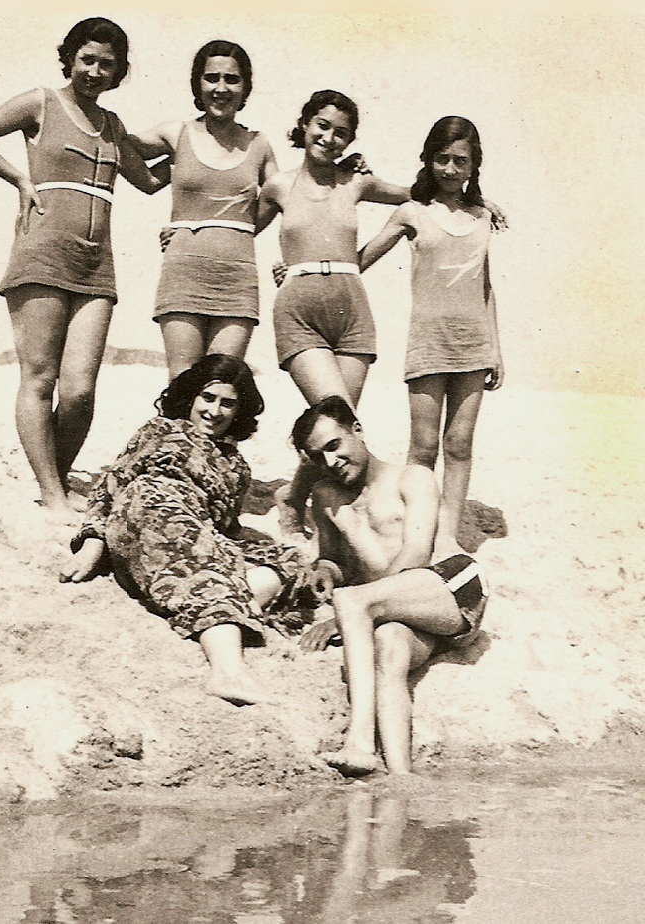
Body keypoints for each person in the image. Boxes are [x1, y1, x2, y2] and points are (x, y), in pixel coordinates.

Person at [0, 18, 170, 520]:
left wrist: (196, 147)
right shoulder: (41, 103)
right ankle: (52, 492)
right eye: (87, 59)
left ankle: (55, 474)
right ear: (70, 58)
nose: (95, 71)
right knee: (39, 377)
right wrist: (19, 180)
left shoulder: (114, 126)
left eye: (107, 64)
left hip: (96, 265)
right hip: (43, 254)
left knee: (80, 390)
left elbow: (150, 181)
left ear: (119, 72)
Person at [60, 355, 307, 706]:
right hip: (150, 506)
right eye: (208, 398)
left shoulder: (237, 466)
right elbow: (112, 485)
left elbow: (224, 527)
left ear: (240, 411)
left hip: (194, 533)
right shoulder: (160, 430)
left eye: (228, 404)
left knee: (290, 560)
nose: (215, 411)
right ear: (191, 397)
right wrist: (93, 544)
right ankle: (227, 670)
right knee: (204, 566)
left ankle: (218, 604)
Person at [292, 396, 489, 775]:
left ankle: (359, 740)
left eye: (335, 446)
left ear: (357, 431)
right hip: (403, 610)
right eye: (318, 456)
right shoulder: (327, 497)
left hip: (452, 587)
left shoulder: (410, 478)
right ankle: (401, 778)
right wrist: (326, 572)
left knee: (350, 602)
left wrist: (348, 613)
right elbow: (334, 558)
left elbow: (417, 552)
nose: (330, 462)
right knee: (389, 646)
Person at [255, 90, 411, 534]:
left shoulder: (356, 182)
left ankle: (295, 494)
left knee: (341, 424)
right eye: (322, 126)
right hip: (299, 310)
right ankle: (296, 499)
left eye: (341, 133)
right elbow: (237, 225)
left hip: (353, 312)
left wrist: (480, 200)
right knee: (334, 409)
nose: (329, 137)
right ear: (304, 125)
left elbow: (417, 195)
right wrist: (181, 229)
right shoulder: (279, 185)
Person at [358, 116, 503, 547]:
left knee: (459, 444)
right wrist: (306, 266)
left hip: (474, 345)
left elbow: (486, 286)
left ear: (475, 165)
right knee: (423, 447)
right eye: (442, 159)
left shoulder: (482, 217)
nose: (451, 169)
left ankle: (449, 535)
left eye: (461, 161)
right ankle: (418, 531)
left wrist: (496, 350)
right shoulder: (413, 212)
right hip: (428, 344)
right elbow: (361, 258)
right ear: (428, 160)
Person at [127, 41, 278, 380]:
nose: (221, 88)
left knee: (223, 383)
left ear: (245, 88)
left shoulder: (259, 144)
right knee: (183, 385)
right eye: (211, 78)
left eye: (231, 80)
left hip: (237, 278)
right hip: (184, 273)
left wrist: (345, 168)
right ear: (198, 84)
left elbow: (286, 195)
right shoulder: (176, 133)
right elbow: (118, 144)